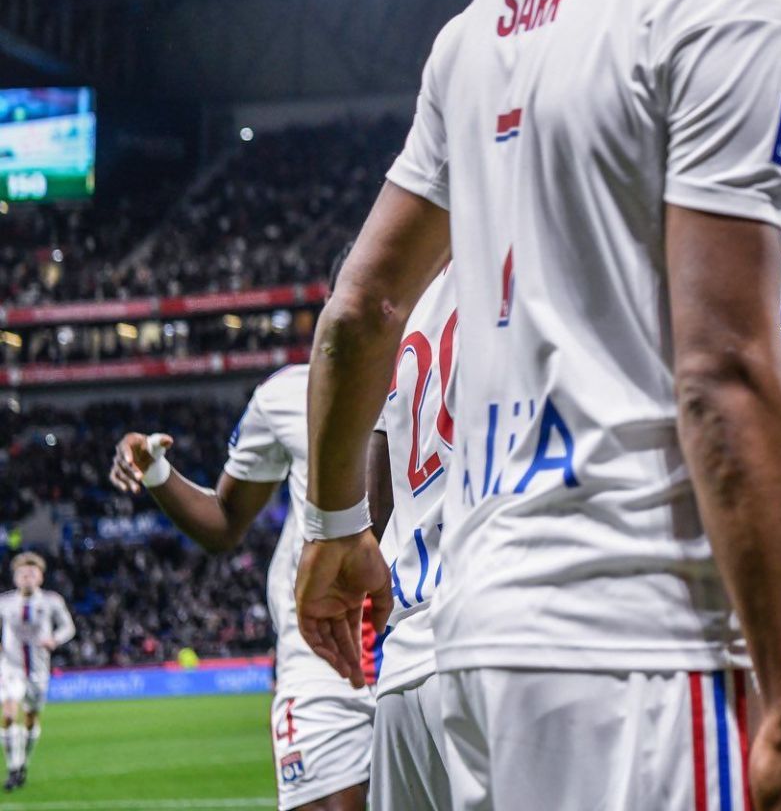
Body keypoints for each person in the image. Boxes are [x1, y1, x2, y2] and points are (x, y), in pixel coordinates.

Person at [290, 0, 781, 811]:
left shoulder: (482, 16)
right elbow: (726, 369)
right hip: (643, 630)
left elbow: (361, 308)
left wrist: (337, 527)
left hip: (480, 634)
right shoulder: (730, 6)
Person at [110, 369, 376, 811]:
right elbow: (225, 520)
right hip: (321, 655)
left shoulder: (452, 349)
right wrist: (156, 471)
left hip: (429, 636)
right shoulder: (287, 392)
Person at [366, 269, 458, 809]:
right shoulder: (524, 252)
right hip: (493, 637)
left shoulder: (409, 308)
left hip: (403, 663)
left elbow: (374, 507)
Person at [1, 552, 74, 793]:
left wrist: (55, 639)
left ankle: (24, 763)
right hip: (10, 668)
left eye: (32, 573)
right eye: (23, 574)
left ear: (40, 577)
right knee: (9, 712)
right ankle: (13, 767)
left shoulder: (52, 601)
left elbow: (68, 627)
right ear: (16, 578)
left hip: (38, 670)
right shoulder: (5, 602)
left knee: (31, 719)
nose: (27, 577)